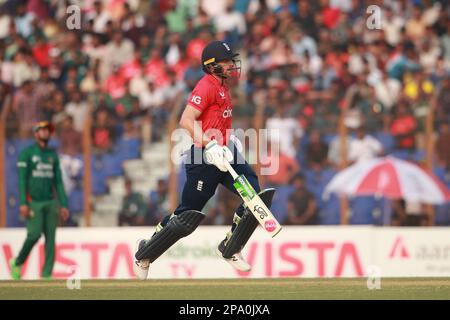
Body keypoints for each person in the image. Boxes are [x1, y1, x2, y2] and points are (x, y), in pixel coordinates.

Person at [133, 40, 275, 279]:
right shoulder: (206, 86)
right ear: (212, 66)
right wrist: (210, 144)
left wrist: (230, 141)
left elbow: (217, 121)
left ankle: (231, 247)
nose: (231, 65)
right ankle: (145, 253)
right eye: (226, 61)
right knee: (187, 216)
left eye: (232, 61)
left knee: (254, 196)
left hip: (225, 153)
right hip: (204, 158)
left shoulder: (223, 88)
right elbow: (186, 120)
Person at [10, 121, 69, 280]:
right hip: (34, 202)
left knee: (51, 238)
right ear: (36, 133)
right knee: (34, 235)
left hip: (50, 202)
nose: (45, 132)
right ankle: (17, 262)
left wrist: (63, 204)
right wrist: (23, 202)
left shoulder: (52, 155)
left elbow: (58, 181)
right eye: (42, 130)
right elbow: (22, 180)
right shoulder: (27, 153)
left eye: (47, 130)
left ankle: (46, 274)